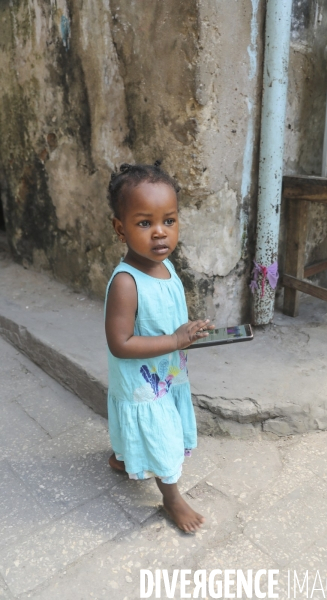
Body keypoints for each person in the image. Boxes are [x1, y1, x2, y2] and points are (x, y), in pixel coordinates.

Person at [105, 163, 213, 533]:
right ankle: (171, 497)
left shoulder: (166, 268)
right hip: (142, 381)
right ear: (120, 228)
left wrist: (188, 333)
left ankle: (123, 458)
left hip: (166, 372)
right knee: (162, 434)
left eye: (169, 221)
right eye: (143, 223)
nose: (159, 233)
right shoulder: (125, 282)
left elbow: (167, 319)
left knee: (147, 425)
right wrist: (175, 340)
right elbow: (120, 344)